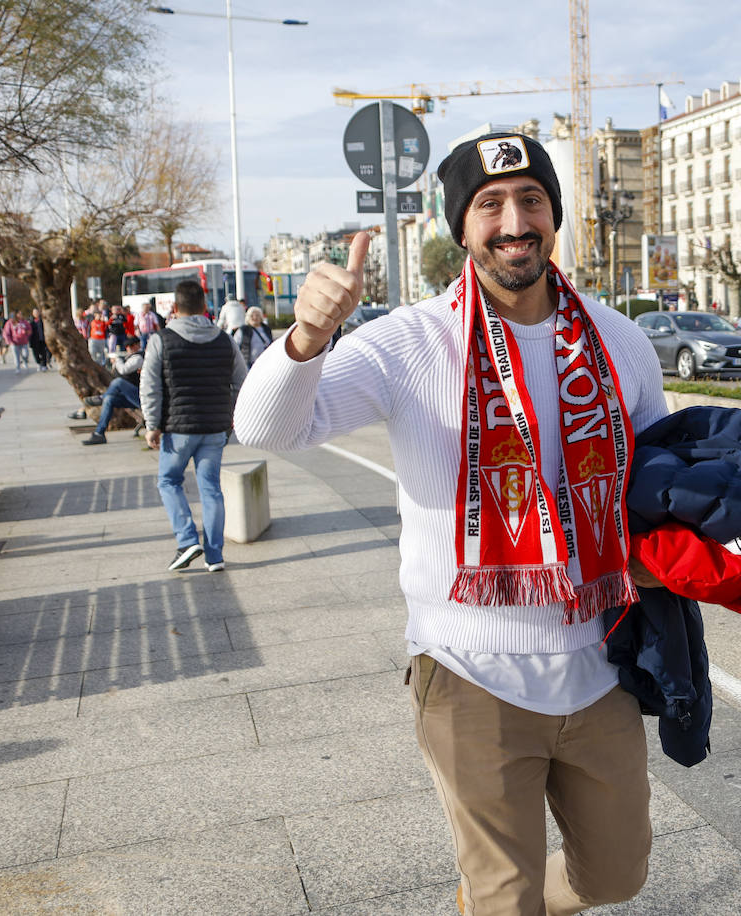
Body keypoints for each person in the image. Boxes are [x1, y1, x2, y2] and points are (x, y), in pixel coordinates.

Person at [234, 131, 666, 915]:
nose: (514, 221)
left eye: (531, 199)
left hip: (600, 663)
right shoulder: (409, 342)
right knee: (509, 899)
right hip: (469, 672)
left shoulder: (620, 341)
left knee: (617, 876)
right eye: (489, 204)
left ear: (553, 215)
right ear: (460, 227)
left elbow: (648, 486)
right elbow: (267, 429)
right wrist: (306, 338)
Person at [140, 280, 248, 573]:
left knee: (168, 481)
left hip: (178, 428)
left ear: (174, 308)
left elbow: (150, 386)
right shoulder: (225, 340)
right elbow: (243, 382)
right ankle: (215, 556)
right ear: (205, 307)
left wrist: (152, 424)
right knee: (211, 489)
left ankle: (187, 540)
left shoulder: (161, 340)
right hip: (215, 427)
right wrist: (234, 415)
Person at [82, 337, 144, 445]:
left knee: (119, 382)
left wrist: (118, 360)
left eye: (129, 347)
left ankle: (102, 397)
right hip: (134, 396)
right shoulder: (130, 357)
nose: (128, 349)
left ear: (135, 345)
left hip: (142, 397)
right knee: (110, 400)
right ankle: (99, 434)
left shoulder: (138, 358)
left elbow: (124, 369)